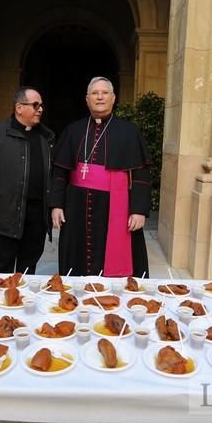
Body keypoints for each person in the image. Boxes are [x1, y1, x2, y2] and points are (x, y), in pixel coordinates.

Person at [50, 77, 150, 277]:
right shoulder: (73, 130)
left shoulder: (129, 131)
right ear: (87, 99)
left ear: (113, 98)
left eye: (105, 93)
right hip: (76, 205)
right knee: (77, 258)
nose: (100, 97)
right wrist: (56, 205)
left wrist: (138, 210)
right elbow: (60, 172)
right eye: (95, 93)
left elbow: (140, 174)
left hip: (114, 205)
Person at [0, 87, 55, 274]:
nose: (40, 109)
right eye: (35, 105)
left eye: (41, 105)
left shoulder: (46, 137)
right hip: (5, 213)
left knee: (28, 269)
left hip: (36, 217)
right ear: (19, 107)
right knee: (2, 269)